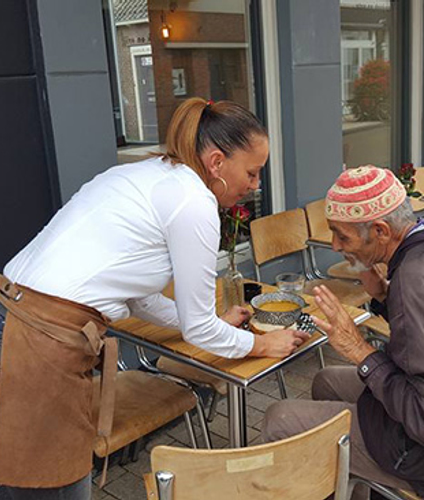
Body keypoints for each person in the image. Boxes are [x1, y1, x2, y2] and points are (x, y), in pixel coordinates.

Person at [0, 97, 309, 500]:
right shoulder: (194, 202)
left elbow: (142, 299)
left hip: (16, 314)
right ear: (216, 163)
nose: (256, 185)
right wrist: (262, 343)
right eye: (252, 173)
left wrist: (211, 321)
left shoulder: (147, 174)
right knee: (52, 483)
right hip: (42, 341)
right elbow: (199, 330)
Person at [261, 165, 424, 500]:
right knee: (325, 380)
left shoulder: (415, 280)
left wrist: (359, 350)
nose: (334, 244)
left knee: (279, 418)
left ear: (381, 231)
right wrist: (384, 296)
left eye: (343, 236)